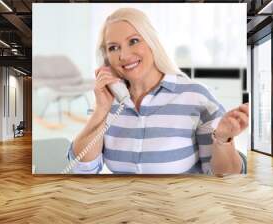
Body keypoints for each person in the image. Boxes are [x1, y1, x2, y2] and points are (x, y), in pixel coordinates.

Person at [67, 7, 249, 175]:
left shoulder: (195, 96)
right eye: (113, 48)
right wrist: (101, 110)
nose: (123, 55)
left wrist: (223, 140)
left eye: (134, 41)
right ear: (106, 57)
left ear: (152, 43)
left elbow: (225, 177)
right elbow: (84, 169)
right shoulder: (107, 101)